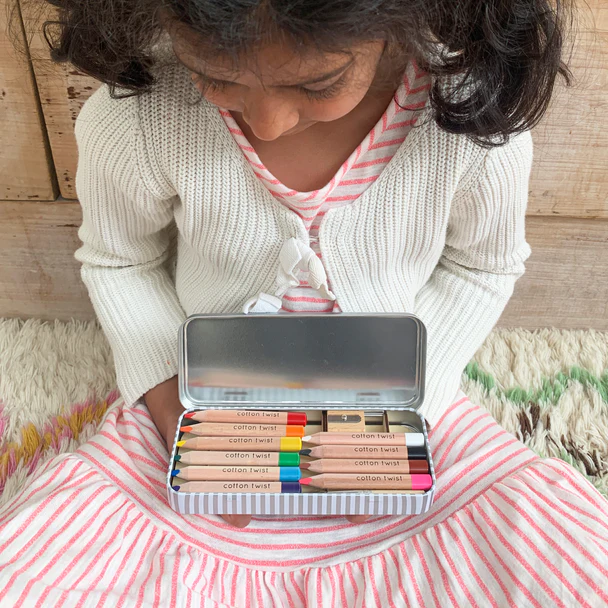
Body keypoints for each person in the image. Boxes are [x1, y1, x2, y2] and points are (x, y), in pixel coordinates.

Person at [1, 0, 606, 605]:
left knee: (541, 559)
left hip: (407, 402)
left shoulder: (471, 123)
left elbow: (483, 267)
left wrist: (414, 399)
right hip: (196, 392)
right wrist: (170, 403)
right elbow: (120, 261)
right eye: (215, 74)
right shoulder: (139, 117)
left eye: (318, 82)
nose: (266, 122)